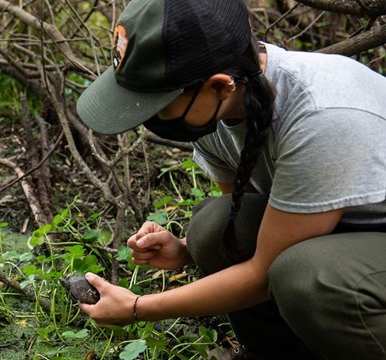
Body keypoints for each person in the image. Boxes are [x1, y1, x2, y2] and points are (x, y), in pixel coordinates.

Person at [75, 0, 386, 359]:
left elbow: (262, 271)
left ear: (221, 86)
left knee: (304, 276)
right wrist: (186, 249)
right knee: (216, 228)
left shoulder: (321, 115)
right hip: (344, 232)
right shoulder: (216, 108)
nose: (146, 116)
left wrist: (136, 307)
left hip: (369, 239)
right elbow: (249, 220)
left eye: (157, 103)